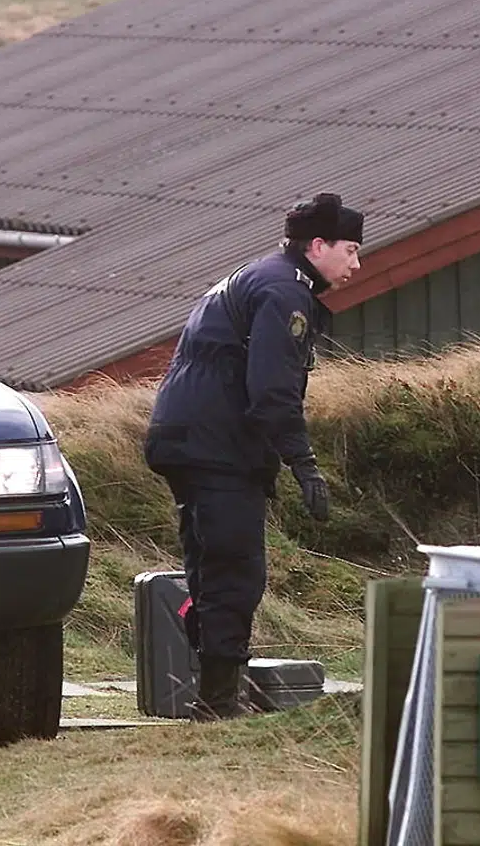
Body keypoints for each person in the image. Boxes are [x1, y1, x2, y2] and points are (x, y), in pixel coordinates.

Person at [143, 192, 364, 720]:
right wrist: (304, 464)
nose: (357, 263)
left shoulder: (260, 274)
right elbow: (272, 390)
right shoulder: (283, 291)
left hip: (187, 437)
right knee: (236, 570)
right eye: (351, 249)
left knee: (209, 564)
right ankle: (217, 704)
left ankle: (210, 690)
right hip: (214, 447)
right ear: (317, 245)